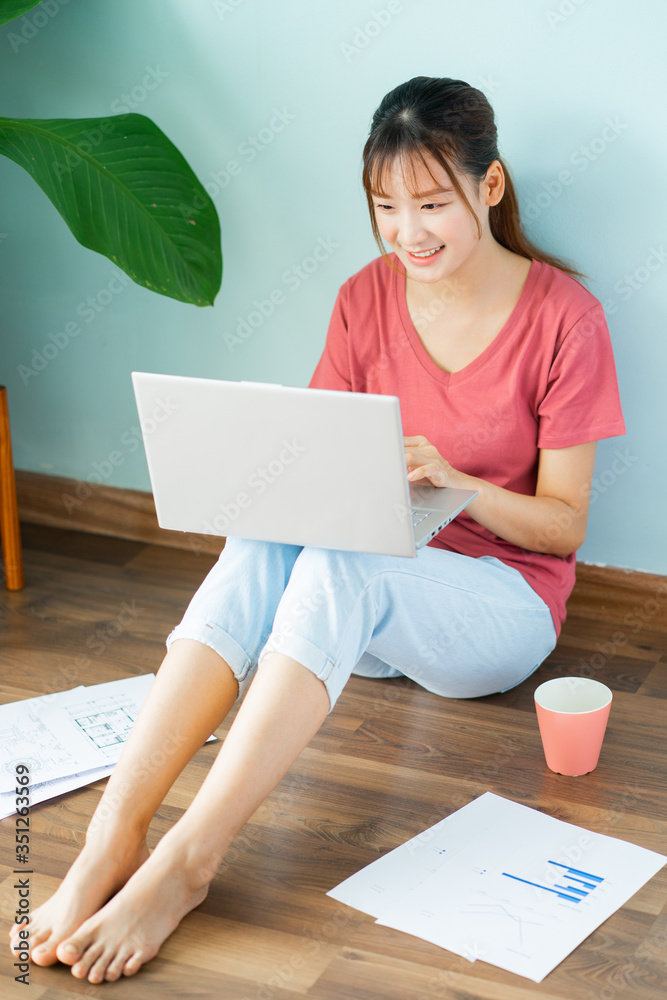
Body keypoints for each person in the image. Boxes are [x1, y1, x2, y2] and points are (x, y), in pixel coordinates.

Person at [9, 76, 625, 983]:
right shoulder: (362, 297)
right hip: (354, 611)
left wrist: (458, 483)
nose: (407, 233)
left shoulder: (565, 318)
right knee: (267, 540)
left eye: (430, 204)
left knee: (347, 565)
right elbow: (309, 462)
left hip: (495, 610)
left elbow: (564, 529)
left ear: (488, 188)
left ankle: (187, 863)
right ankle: (114, 837)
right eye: (386, 207)